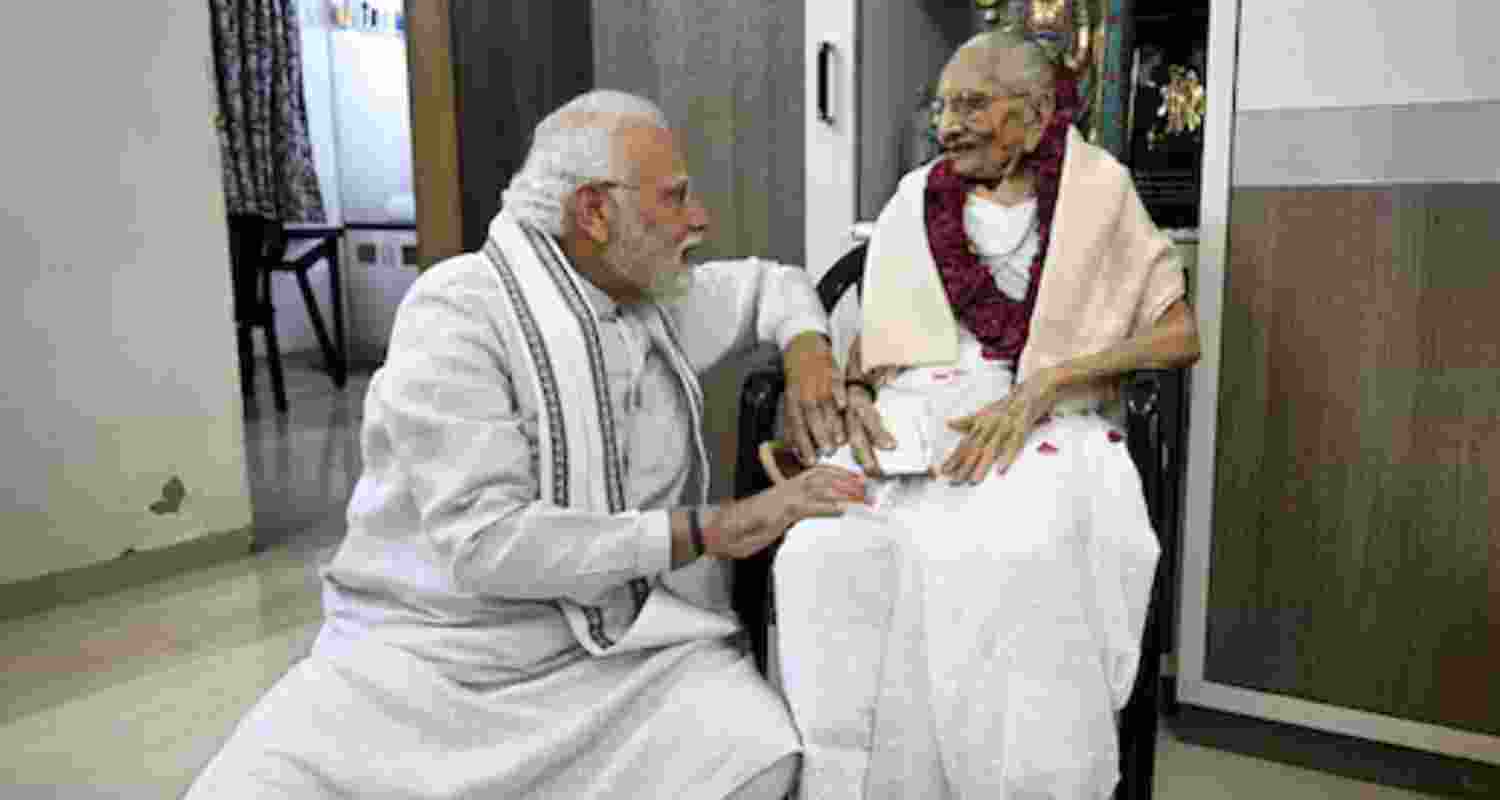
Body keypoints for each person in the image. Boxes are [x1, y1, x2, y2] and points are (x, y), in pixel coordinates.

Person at [185, 90, 868, 799]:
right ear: (594, 213)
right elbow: (489, 543)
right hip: (438, 662)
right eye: (675, 198)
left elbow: (772, 286)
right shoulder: (456, 316)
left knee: (758, 757)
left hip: (626, 654)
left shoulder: (655, 299)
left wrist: (808, 356)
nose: (700, 219)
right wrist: (721, 526)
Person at [772, 29, 1201, 798]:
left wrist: (1044, 386)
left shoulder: (1097, 191)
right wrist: (861, 394)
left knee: (1007, 553)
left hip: (1049, 413)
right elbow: (871, 340)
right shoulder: (917, 197)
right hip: (917, 412)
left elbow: (1178, 334)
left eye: (971, 104)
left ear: (1034, 116)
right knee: (816, 550)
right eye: (943, 106)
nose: (947, 126)